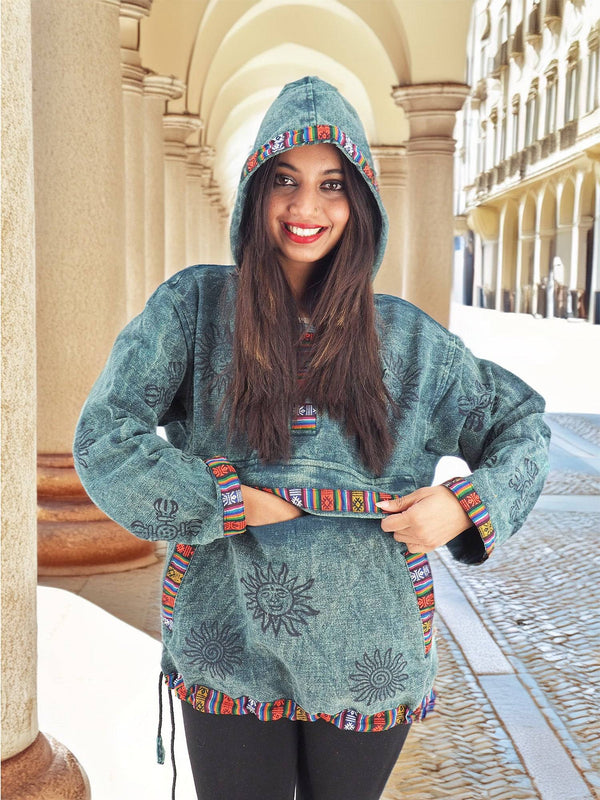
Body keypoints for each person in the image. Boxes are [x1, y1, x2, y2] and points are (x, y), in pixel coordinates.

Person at [73, 76, 550, 800]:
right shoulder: (194, 310)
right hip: (226, 635)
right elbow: (104, 436)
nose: (306, 207)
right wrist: (226, 501)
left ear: (359, 201)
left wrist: (462, 504)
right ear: (254, 192)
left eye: (332, 184)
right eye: (285, 182)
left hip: (369, 650)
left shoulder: (410, 341)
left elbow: (522, 425)